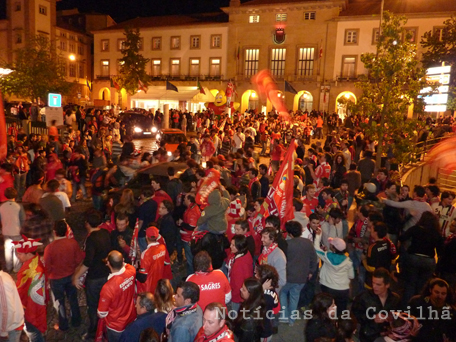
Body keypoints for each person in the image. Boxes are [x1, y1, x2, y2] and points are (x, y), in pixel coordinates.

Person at [73, 209, 111, 341]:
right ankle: (106, 328)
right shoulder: (106, 233)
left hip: (95, 278)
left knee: (93, 306)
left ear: (87, 224)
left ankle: (94, 331)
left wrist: (76, 276)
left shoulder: (91, 240)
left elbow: (88, 262)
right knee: (106, 303)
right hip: (107, 274)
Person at [44, 220, 84, 331]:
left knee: (59, 302)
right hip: (70, 276)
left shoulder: (50, 248)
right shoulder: (73, 243)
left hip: (56, 279)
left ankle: (63, 324)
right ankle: (76, 321)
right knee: (73, 299)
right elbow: (79, 260)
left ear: (54, 232)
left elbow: (47, 266)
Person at [399, 211, 443, 305]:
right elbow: (440, 251)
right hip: (429, 260)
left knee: (410, 284)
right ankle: (419, 308)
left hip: (414, 257)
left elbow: (402, 238)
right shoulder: (436, 233)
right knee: (422, 287)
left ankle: (407, 308)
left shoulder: (416, 229)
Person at [280, 221, 318, 325]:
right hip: (302, 277)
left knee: (282, 293)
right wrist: (311, 271)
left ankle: (284, 316)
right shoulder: (308, 243)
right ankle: (292, 320)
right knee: (294, 296)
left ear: (290, 233)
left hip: (288, 276)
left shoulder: (287, 244)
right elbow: (313, 259)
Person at [352, 268, 401, 342]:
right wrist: (372, 318)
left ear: (387, 285)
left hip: (388, 336)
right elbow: (354, 315)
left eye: (378, 284)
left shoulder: (395, 299)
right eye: (373, 283)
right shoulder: (364, 297)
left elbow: (400, 317)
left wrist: (391, 318)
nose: (374, 286)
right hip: (368, 336)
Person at [97, 250, 137, 342]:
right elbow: (125, 264)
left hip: (116, 326)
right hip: (131, 318)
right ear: (123, 260)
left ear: (108, 263)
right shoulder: (132, 270)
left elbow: (102, 313)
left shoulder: (108, 288)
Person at [314, 227, 354, 316]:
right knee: (341, 312)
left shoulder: (327, 256)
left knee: (326, 310)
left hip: (327, 287)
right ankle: (339, 327)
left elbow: (316, 249)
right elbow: (351, 276)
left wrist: (318, 236)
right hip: (343, 290)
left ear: (334, 248)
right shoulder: (348, 261)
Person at [13, 236, 47, 342]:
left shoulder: (32, 271)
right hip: (36, 303)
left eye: (19, 254)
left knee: (33, 333)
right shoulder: (35, 260)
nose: (17, 256)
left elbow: (22, 292)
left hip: (31, 308)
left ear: (28, 254)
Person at [408, 278, 456, 342]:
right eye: (437, 292)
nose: (439, 296)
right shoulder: (417, 302)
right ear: (430, 290)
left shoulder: (451, 311)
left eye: (443, 294)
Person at [0, 187, 25, 272]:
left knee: (7, 249)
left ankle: (8, 267)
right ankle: (17, 269)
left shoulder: (2, 206)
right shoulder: (18, 206)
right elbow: (23, 220)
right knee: (17, 251)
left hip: (6, 231)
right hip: (17, 231)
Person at [227, 235, 254, 312]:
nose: (230, 247)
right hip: (242, 295)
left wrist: (234, 297)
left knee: (235, 315)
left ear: (240, 246)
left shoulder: (239, 264)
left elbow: (237, 284)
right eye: (231, 244)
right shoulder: (246, 254)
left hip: (237, 297)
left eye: (233, 245)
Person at [234, 278, 265, 342]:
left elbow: (244, 339)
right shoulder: (257, 303)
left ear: (251, 294)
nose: (240, 290)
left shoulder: (249, 320)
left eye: (244, 290)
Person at [137, 226, 166, 294]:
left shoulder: (146, 254)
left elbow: (142, 277)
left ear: (146, 237)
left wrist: (136, 270)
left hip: (147, 288)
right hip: (158, 284)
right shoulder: (163, 248)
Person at [0, 264, 24, 342]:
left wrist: (3, 332)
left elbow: (6, 309)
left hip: (9, 328)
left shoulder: (2, 282)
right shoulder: (4, 275)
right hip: (8, 325)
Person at [259, 227, 287, 292]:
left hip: (271, 291)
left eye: (264, 237)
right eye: (262, 237)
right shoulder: (265, 251)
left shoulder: (278, 255)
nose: (261, 239)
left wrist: (271, 288)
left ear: (272, 239)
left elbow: (282, 280)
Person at [137, 185, 158, 252]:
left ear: (143, 195)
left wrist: (136, 232)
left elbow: (141, 221)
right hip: (150, 228)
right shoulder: (154, 203)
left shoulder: (143, 207)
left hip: (142, 232)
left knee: (143, 250)